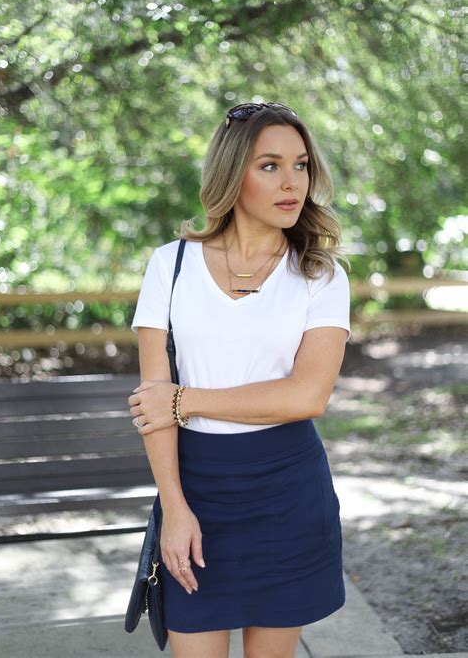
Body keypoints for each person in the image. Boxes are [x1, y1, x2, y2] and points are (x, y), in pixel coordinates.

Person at [128, 101, 351, 658]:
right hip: (194, 491)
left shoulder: (320, 275)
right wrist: (173, 508)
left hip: (288, 492)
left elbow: (307, 396)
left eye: (301, 165)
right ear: (232, 174)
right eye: (269, 166)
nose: (292, 182)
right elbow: (154, 408)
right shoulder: (171, 265)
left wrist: (185, 399)